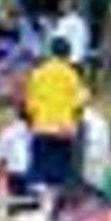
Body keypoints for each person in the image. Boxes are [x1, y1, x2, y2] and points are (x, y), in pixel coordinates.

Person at [19, 37, 89, 194]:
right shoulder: (72, 75)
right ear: (68, 54)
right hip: (64, 130)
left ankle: (40, 206)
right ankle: (56, 207)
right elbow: (80, 102)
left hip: (42, 127)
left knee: (39, 174)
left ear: (51, 52)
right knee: (59, 176)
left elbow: (29, 104)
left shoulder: (38, 74)